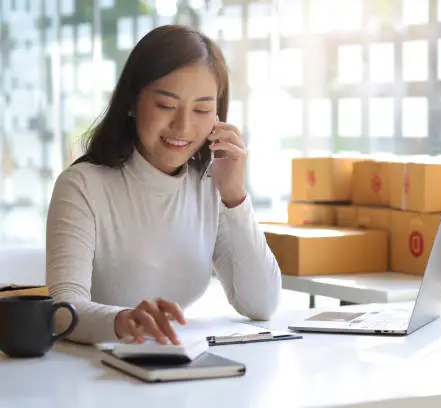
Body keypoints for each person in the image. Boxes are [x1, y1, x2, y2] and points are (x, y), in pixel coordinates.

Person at [45, 25, 282, 346]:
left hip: (176, 370)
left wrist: (234, 197)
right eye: (166, 106)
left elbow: (262, 305)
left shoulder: (209, 185)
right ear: (131, 102)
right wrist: (123, 321)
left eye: (201, 109)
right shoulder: (82, 186)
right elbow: (63, 310)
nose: (183, 127)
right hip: (95, 373)